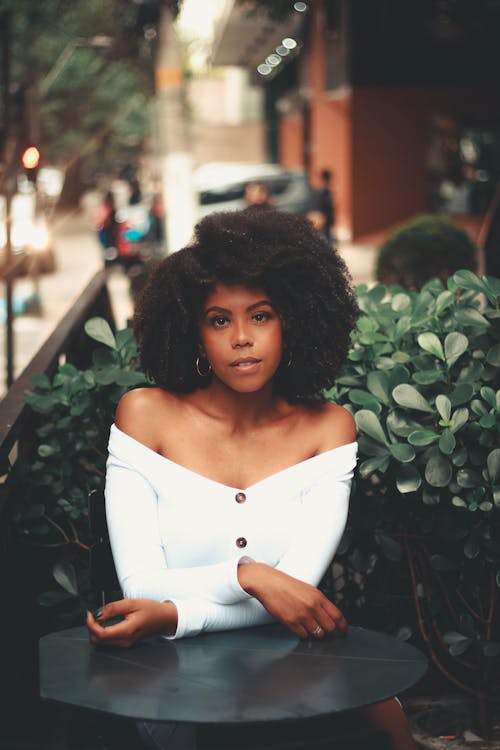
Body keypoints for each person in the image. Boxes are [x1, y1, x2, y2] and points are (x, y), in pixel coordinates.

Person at [86, 208, 417, 749]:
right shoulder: (146, 417)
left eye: (260, 316)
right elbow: (140, 587)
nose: (242, 337)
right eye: (220, 320)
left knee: (385, 720)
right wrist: (250, 577)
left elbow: (299, 599)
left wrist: (173, 615)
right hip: (174, 677)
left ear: (294, 320)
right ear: (195, 333)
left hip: (290, 666)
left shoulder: (327, 430)